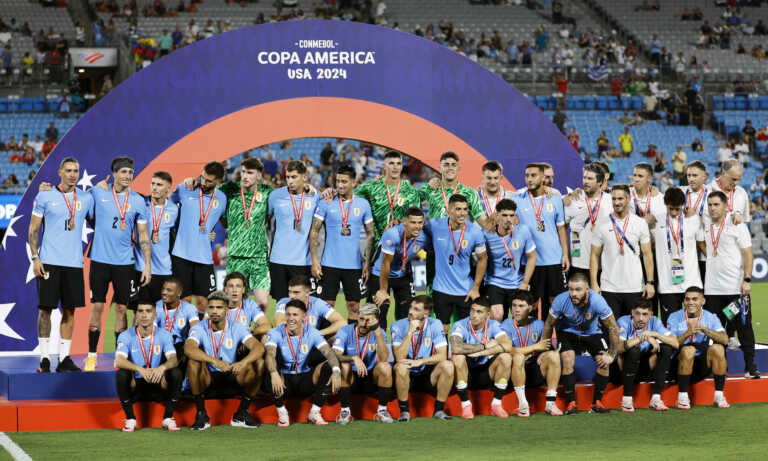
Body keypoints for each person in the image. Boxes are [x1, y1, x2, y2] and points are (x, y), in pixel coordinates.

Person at [29, 157, 94, 373]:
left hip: (74, 264)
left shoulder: (86, 198)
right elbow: (33, 230)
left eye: (76, 170)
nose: (73, 174)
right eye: (68, 170)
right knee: (45, 309)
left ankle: (64, 358)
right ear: (60, 172)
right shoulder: (45, 195)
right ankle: (45, 358)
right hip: (48, 262)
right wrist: (35, 258)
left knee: (70, 311)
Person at [86, 157, 151, 371]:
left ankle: (118, 355)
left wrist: (147, 265)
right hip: (100, 261)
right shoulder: (98, 193)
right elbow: (77, 204)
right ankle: (92, 355)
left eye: (130, 172)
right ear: (113, 174)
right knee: (97, 306)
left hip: (125, 263)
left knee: (122, 309)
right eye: (123, 172)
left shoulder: (138, 200)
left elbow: (142, 235)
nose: (127, 176)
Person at [541, 273, 621, 415]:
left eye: (578, 290)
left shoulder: (598, 301)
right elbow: (548, 324)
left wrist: (612, 354)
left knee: (604, 360)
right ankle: (571, 403)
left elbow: (613, 328)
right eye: (571, 289)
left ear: (587, 290)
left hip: (592, 333)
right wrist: (544, 349)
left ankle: (597, 402)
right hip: (568, 332)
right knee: (567, 358)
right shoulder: (561, 300)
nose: (573, 293)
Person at [185, 291, 265, 430]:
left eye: (219, 307)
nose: (214, 311)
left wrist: (242, 363)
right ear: (207, 309)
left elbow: (258, 348)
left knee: (259, 363)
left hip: (232, 374)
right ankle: (201, 414)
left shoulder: (237, 327)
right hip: (208, 378)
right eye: (211, 307)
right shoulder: (199, 328)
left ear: (226, 310)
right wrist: (214, 361)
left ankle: (242, 413)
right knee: (193, 361)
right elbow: (189, 349)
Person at [700, 191, 759, 379]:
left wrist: (747, 279)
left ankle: (750, 366)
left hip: (734, 290)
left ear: (726, 206)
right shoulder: (705, 225)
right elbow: (703, 244)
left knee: (743, 327)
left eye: (716, 204)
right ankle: (720, 368)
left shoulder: (737, 224)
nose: (712, 208)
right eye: (710, 205)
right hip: (712, 291)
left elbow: (748, 253)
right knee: (717, 330)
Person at [310, 165, 374, 323]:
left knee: (354, 306)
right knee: (326, 305)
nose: (340, 185)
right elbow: (314, 231)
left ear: (354, 183)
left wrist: (366, 262)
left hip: (354, 265)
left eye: (344, 181)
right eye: (337, 181)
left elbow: (371, 234)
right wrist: (315, 260)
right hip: (329, 263)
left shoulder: (363, 204)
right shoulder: (326, 202)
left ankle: (351, 342)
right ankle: (325, 343)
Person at [264, 298, 343, 426]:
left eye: (295, 315)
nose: (290, 318)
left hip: (305, 380)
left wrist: (336, 370)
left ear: (304, 317)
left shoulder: (312, 332)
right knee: (268, 365)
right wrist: (273, 373)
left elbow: (329, 353)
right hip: (284, 382)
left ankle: (314, 412)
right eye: (288, 314)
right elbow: (270, 354)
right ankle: (282, 413)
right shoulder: (275, 332)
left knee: (330, 366)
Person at [115, 303, 182, 432]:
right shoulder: (126, 335)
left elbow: (173, 359)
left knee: (176, 373)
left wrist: (162, 368)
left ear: (155, 314)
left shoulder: (164, 335)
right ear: (136, 314)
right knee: (121, 374)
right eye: (140, 311)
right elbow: (119, 360)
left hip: (157, 382)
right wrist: (139, 369)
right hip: (137, 384)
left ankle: (168, 417)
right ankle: (130, 418)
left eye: (148, 311)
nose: (144, 315)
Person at [513, 163, 569, 318]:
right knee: (530, 304)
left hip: (553, 260)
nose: (529, 179)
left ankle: (552, 341)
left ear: (543, 177)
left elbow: (561, 229)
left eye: (533, 175)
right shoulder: (518, 200)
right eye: (527, 176)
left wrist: (565, 254)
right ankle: (530, 339)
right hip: (530, 262)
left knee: (554, 303)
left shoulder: (555, 200)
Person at [591, 184, 655, 318]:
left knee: (635, 328)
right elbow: (594, 255)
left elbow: (647, 254)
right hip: (609, 287)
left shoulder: (639, 223)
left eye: (620, 199)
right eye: (614, 199)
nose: (616, 202)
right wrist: (594, 284)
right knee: (612, 330)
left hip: (635, 286)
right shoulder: (601, 224)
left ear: (628, 199)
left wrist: (650, 283)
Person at [217, 158, 271, 310]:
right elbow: (207, 188)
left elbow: (288, 194)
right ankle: (237, 332)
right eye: (243, 172)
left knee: (262, 303)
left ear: (259, 176)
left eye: (250, 173)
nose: (245, 176)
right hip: (236, 256)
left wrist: (307, 187)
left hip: (259, 257)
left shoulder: (267, 193)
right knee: (234, 304)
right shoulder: (228, 189)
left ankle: (259, 332)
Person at [429, 194, 487, 334]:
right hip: (441, 289)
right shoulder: (435, 225)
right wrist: (399, 222)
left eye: (465, 209)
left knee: (464, 331)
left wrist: (475, 288)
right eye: (458, 209)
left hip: (465, 290)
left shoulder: (475, 232)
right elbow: (415, 227)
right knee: (442, 331)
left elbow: (482, 259)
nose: (463, 213)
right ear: (449, 210)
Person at [174, 162, 227, 316]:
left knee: (204, 302)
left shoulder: (222, 199)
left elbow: (226, 222)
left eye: (209, 181)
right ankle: (183, 338)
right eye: (202, 178)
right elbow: (163, 203)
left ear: (218, 181)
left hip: (204, 258)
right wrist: (185, 181)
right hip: (181, 255)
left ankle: (199, 337)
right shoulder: (185, 189)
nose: (204, 183)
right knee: (184, 301)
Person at [499, 290, 562, 416]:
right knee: (518, 357)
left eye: (521, 306)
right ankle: (523, 405)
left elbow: (546, 346)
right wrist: (536, 347)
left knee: (554, 356)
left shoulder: (539, 324)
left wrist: (544, 352)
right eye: (514, 306)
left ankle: (550, 404)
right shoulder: (505, 325)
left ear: (531, 307)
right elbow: (509, 350)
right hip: (513, 374)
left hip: (533, 372)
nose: (516, 310)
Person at [391, 295, 455, 421]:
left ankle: (439, 410)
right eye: (410, 307)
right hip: (406, 376)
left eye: (416, 309)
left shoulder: (435, 324)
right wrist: (409, 332)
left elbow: (443, 355)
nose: (410, 311)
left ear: (426, 313)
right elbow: (399, 357)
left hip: (428, 374)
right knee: (401, 367)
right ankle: (404, 412)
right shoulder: (397, 325)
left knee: (448, 365)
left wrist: (420, 362)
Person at [449, 297, 513, 419]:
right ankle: (466, 406)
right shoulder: (460, 325)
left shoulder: (493, 325)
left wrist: (483, 353)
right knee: (458, 357)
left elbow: (507, 345)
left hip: (486, 371)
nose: (474, 315)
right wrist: (484, 346)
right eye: (472, 310)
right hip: (466, 373)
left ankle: (497, 404)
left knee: (506, 357)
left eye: (479, 312)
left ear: (488, 314)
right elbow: (456, 347)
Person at [666, 286, 730, 409]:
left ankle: (719, 396)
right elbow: (670, 343)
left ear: (703, 301)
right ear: (683, 301)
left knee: (718, 348)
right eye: (687, 299)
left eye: (695, 299)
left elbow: (725, 339)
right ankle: (682, 398)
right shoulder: (674, 317)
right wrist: (687, 334)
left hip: (701, 365)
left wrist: (704, 329)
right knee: (689, 350)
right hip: (679, 363)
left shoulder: (711, 317)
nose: (690, 303)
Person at [125, 171, 179, 311]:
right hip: (141, 267)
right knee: (139, 312)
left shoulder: (174, 209)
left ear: (168, 188)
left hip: (164, 269)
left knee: (161, 313)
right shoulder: (141, 203)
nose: (154, 187)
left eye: (159, 185)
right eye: (153, 183)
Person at [332, 303, 394, 424]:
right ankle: (345, 412)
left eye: (368, 320)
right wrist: (353, 358)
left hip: (371, 378)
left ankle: (382, 411)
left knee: (385, 367)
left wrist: (377, 332)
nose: (364, 324)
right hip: (351, 379)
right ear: (357, 317)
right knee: (344, 365)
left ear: (376, 320)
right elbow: (334, 355)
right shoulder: (345, 331)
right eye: (361, 319)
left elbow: (384, 358)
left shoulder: (380, 332)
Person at [267, 159, 320, 300]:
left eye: (294, 177)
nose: (290, 181)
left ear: (304, 177)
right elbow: (264, 221)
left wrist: (330, 191)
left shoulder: (316, 197)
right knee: (281, 304)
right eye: (287, 177)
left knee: (302, 305)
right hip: (278, 260)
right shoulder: (275, 196)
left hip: (303, 261)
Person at [370, 207, 430, 327]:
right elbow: (385, 263)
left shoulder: (425, 237)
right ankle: (378, 344)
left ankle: (403, 342)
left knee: (410, 311)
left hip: (402, 275)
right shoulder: (392, 234)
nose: (417, 226)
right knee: (379, 311)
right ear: (405, 222)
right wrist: (382, 291)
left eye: (420, 222)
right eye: (413, 222)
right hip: (380, 274)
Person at [616, 299, 678, 412]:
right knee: (632, 351)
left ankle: (656, 398)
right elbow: (618, 348)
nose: (641, 318)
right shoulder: (623, 322)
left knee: (666, 348)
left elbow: (675, 343)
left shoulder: (654, 321)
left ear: (651, 314)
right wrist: (642, 339)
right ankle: (627, 400)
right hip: (624, 370)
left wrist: (655, 334)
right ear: (632, 313)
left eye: (645, 314)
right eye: (637, 313)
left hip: (645, 368)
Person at [352, 150, 421, 251]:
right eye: (391, 163)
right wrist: (331, 191)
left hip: (400, 250)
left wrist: (399, 222)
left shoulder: (411, 192)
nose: (395, 167)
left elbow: (415, 222)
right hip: (375, 250)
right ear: (384, 166)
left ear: (402, 166)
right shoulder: (371, 187)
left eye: (398, 163)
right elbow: (347, 196)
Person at [652, 188, 703, 323]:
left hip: (691, 282)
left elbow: (702, 244)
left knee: (695, 326)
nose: (674, 212)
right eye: (671, 209)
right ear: (665, 203)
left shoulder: (693, 219)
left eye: (677, 209)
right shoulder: (656, 220)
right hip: (667, 285)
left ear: (683, 205)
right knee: (670, 328)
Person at [483, 199, 536, 321]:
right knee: (497, 315)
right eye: (504, 215)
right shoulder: (487, 234)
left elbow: (532, 257)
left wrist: (525, 282)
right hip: (494, 282)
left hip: (516, 282)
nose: (508, 219)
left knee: (521, 318)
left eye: (511, 215)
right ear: (497, 216)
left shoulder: (523, 231)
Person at [563, 163, 613, 280]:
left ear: (600, 182)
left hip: (602, 264)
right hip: (577, 262)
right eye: (584, 178)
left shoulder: (610, 201)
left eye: (590, 178)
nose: (586, 181)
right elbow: (562, 228)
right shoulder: (573, 199)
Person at [419, 152, 486, 226]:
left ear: (458, 169)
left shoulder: (469, 193)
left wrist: (496, 229)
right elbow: (410, 200)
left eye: (453, 165)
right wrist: (428, 187)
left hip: (460, 236)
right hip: (437, 236)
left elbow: (481, 218)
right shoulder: (431, 188)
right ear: (440, 169)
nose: (450, 168)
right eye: (446, 165)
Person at [273, 275, 346, 336]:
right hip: (289, 340)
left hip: (311, 341)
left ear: (307, 292)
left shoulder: (317, 303)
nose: (291, 296)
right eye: (290, 292)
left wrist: (317, 334)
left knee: (338, 337)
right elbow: (279, 324)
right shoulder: (283, 302)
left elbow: (342, 323)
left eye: (296, 292)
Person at [154, 278, 199, 358]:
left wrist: (189, 343)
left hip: (181, 346)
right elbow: (151, 329)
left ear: (179, 293)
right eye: (163, 289)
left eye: (169, 290)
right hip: (160, 346)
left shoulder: (189, 308)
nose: (164, 292)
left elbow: (196, 330)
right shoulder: (156, 307)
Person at [223, 272, 271, 337]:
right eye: (231, 286)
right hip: (222, 340)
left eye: (238, 286)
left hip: (244, 342)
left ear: (243, 289)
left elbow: (267, 325)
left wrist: (250, 333)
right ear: (226, 289)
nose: (234, 290)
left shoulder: (249, 304)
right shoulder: (217, 304)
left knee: (265, 337)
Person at [708, 159, 750, 225]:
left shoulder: (742, 193)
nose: (736, 183)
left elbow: (745, 222)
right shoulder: (707, 191)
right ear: (723, 173)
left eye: (739, 180)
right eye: (734, 179)